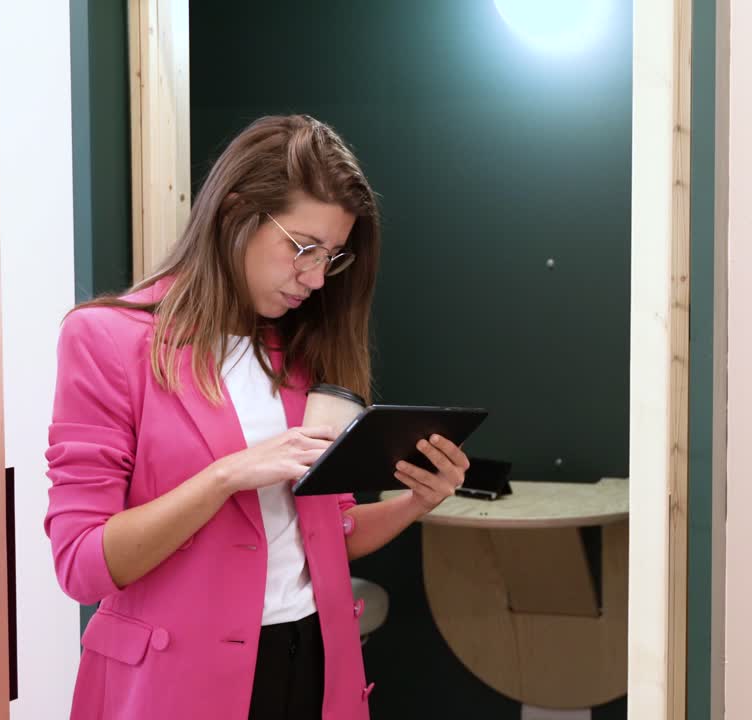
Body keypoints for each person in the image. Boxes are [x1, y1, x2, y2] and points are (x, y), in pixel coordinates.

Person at [44, 114, 468, 720]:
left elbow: (328, 532)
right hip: (177, 685)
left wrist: (416, 502)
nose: (317, 278)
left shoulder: (301, 351)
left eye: (332, 257)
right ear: (236, 211)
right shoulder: (106, 339)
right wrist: (225, 476)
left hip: (315, 664)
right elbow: (83, 564)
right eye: (302, 248)